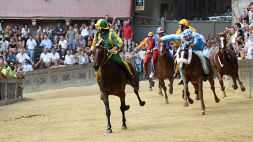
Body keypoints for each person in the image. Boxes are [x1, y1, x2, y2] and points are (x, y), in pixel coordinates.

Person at [91, 19, 137, 87]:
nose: (97, 29)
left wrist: (113, 49)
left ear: (101, 28)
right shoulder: (97, 34)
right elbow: (93, 44)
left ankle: (131, 77)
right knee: (96, 65)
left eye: (98, 27)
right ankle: (100, 81)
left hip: (112, 53)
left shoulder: (111, 33)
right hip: (101, 54)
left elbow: (120, 42)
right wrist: (92, 49)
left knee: (121, 63)